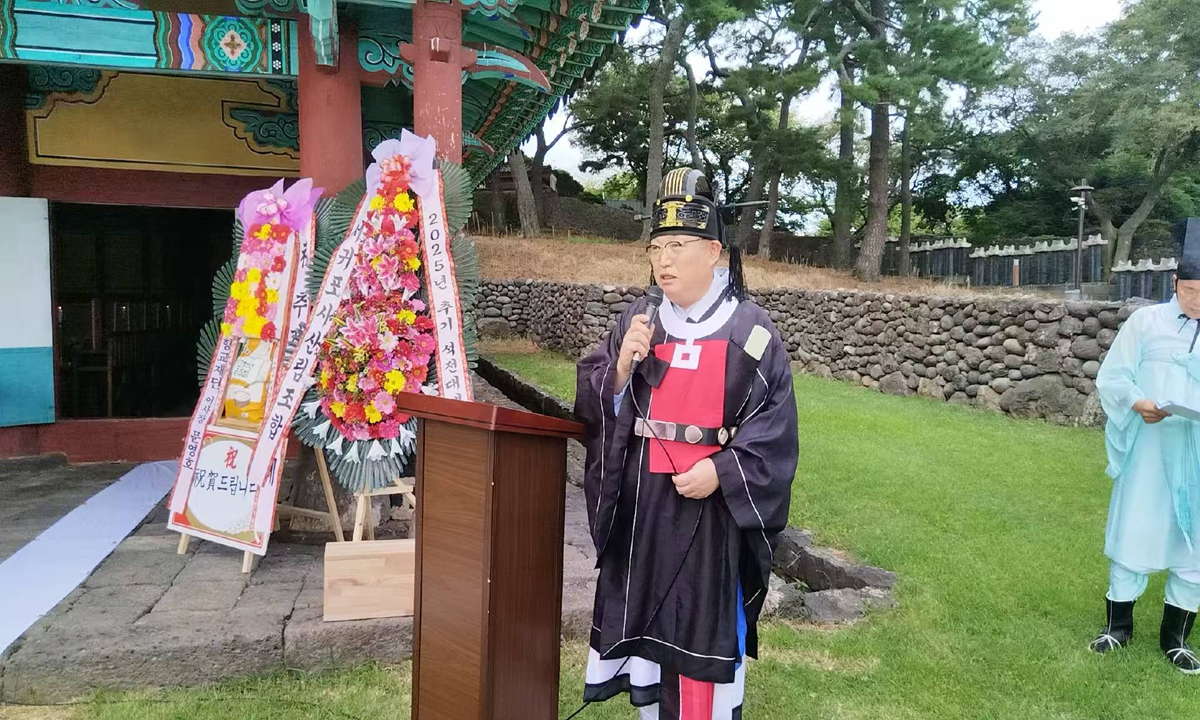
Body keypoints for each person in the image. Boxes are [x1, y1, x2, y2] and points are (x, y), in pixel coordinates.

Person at [573, 168, 799, 718]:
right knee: (649, 632)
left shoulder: (751, 332)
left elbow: (774, 433)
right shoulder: (639, 318)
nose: (664, 260)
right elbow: (594, 395)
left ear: (714, 251)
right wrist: (622, 365)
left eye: (678, 245)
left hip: (710, 517)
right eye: (656, 247)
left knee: (699, 632)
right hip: (644, 508)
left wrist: (722, 472)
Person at [1091, 258, 1200, 674]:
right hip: (1151, 448)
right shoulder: (1146, 322)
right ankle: (1118, 628)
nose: (1197, 301)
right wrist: (1139, 403)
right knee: (1136, 526)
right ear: (1175, 283)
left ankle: (1176, 639)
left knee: (1195, 543)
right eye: (1190, 291)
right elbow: (1115, 375)